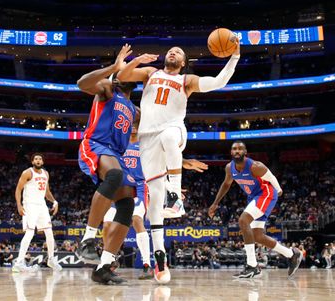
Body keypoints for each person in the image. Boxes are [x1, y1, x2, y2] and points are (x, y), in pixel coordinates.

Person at [118, 41, 241, 283]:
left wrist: (234, 56)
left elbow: (218, 82)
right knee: (153, 204)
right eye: (171, 50)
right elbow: (122, 75)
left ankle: (174, 197)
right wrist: (137, 60)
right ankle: (160, 259)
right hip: (147, 140)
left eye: (179, 52)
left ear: (183, 62)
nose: (173, 52)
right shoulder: (150, 73)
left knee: (169, 135)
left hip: (175, 131)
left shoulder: (187, 81)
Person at [74, 45, 141, 284]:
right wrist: (113, 67)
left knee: (126, 205)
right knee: (114, 175)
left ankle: (103, 266)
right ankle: (87, 240)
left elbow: (153, 136)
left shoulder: (135, 110)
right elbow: (82, 83)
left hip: (116, 154)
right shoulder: (107, 89)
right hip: (95, 145)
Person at [102, 129, 208, 279]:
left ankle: (147, 265)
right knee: (106, 224)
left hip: (140, 187)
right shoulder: (120, 144)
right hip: (122, 187)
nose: (133, 128)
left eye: (136, 125)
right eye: (131, 124)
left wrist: (175, 181)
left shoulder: (146, 144)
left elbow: (165, 159)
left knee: (136, 219)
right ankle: (108, 261)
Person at [208, 141, 302, 278]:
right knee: (257, 235)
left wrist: (279, 189)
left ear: (245, 152)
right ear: (231, 152)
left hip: (266, 194)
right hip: (254, 197)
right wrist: (215, 203)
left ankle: (252, 266)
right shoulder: (229, 168)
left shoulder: (255, 166)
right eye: (234, 149)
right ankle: (292, 254)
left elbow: (271, 177)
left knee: (243, 220)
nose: (237, 151)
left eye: (240, 149)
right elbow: (226, 184)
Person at [13, 152, 61, 272]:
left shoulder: (46, 174)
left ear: (43, 162)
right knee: (29, 233)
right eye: (36, 159)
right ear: (32, 162)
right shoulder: (27, 172)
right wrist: (19, 205)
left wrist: (55, 202)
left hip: (42, 206)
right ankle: (19, 262)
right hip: (30, 206)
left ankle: (50, 259)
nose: (38, 160)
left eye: (40, 159)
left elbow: (47, 192)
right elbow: (18, 189)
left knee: (49, 232)